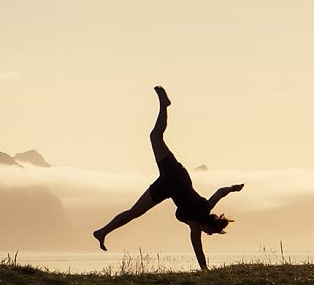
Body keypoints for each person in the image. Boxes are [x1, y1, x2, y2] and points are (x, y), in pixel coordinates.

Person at [93, 86, 244, 270]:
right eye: (210, 233)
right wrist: (204, 269)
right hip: (170, 181)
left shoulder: (207, 206)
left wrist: (233, 188)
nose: (208, 235)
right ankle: (164, 105)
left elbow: (220, 192)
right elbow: (198, 249)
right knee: (134, 211)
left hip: (175, 177)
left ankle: (102, 232)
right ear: (208, 226)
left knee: (155, 137)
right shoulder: (196, 224)